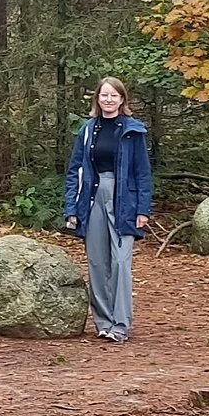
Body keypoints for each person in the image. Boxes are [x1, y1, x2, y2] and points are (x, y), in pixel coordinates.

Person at [63, 76, 152, 342]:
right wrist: (72, 207)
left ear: (122, 99)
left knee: (121, 263)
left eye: (114, 95)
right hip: (92, 199)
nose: (108, 100)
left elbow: (143, 173)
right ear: (97, 99)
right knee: (97, 263)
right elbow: (75, 171)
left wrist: (142, 210)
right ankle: (103, 322)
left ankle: (121, 324)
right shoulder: (88, 130)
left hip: (124, 200)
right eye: (104, 95)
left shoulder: (133, 131)